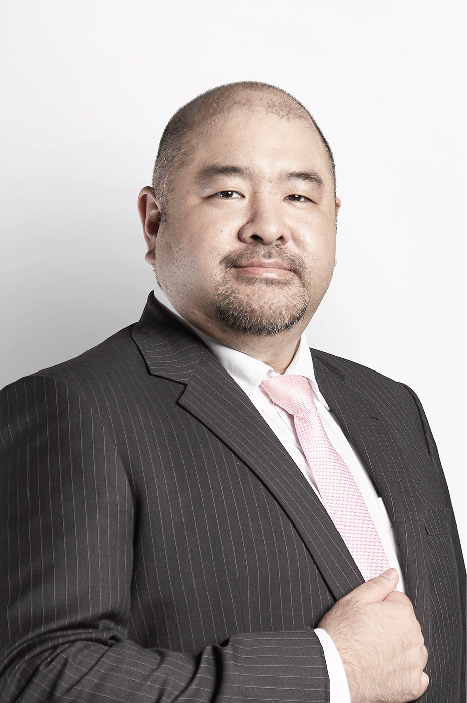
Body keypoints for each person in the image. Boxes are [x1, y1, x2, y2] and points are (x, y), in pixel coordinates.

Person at [0, 81, 464, 703]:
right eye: (228, 193)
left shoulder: (391, 406)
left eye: (299, 196)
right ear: (154, 221)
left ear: (332, 219)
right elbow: (37, 675)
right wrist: (329, 671)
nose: (268, 227)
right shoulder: (71, 407)